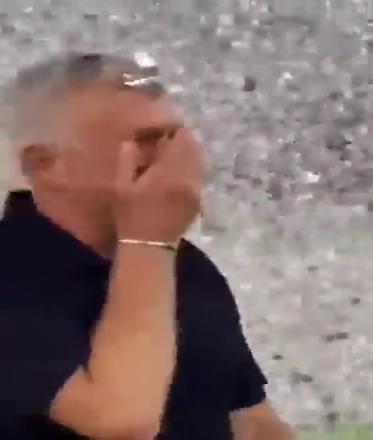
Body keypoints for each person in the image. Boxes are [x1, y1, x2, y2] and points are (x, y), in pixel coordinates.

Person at [0, 52, 294, 440]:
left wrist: (154, 244)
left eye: (177, 139)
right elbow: (120, 422)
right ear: (43, 163)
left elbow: (250, 422)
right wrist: (148, 240)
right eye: (148, 140)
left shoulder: (186, 265)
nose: (179, 161)